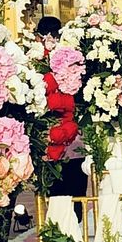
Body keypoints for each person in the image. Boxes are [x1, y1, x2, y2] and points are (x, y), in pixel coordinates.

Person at [35, 15, 88, 202]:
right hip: (69, 140)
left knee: (55, 201)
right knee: (76, 199)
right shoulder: (74, 59)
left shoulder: (36, 63)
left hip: (51, 140)